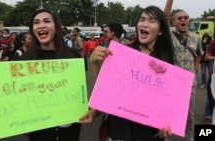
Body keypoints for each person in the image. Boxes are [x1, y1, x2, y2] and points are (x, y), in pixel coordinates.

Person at [90, 5, 172, 141]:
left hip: (148, 134)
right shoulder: (122, 55)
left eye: (152, 21)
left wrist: (167, 128)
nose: (145, 24)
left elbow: (169, 104)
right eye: (142, 19)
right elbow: (108, 90)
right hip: (120, 130)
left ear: (160, 31)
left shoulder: (167, 65)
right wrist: (94, 63)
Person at [19, 9, 97, 141]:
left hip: (69, 129)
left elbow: (81, 88)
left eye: (47, 21)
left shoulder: (72, 55)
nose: (41, 25)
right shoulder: (23, 61)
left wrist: (92, 109)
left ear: (56, 27)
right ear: (33, 30)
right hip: (39, 131)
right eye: (36, 22)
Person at [164, 0, 203, 140]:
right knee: (169, 111)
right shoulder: (171, 36)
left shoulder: (195, 37)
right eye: (179, 18)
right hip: (172, 81)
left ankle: (189, 137)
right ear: (174, 22)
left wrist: (196, 67)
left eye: (185, 17)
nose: (183, 20)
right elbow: (164, 19)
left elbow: (199, 53)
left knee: (189, 114)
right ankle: (166, 137)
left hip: (190, 82)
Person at [205, 39, 215, 124]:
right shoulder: (213, 42)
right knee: (210, 98)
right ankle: (207, 115)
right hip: (213, 78)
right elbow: (207, 57)